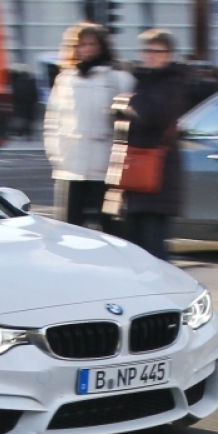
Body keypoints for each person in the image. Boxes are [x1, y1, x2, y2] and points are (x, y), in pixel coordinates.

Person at [44, 22, 134, 228]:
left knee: (110, 229)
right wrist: (57, 156)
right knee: (70, 229)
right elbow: (53, 120)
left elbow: (127, 123)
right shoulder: (65, 79)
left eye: (91, 43)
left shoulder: (118, 78)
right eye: (81, 44)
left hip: (105, 167)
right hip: (71, 166)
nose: (86, 49)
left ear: (102, 46)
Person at [114, 29, 190, 260]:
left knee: (153, 248)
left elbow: (151, 115)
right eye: (147, 51)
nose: (152, 56)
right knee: (136, 248)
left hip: (158, 176)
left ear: (169, 54)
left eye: (158, 51)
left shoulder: (173, 83)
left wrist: (128, 103)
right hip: (138, 171)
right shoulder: (143, 81)